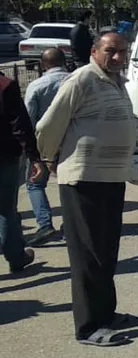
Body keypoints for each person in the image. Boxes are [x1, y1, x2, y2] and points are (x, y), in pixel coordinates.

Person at [37, 33, 138, 346]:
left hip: (110, 178)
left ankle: (106, 314)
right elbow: (48, 125)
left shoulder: (116, 81)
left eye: (123, 51)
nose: (119, 57)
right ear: (95, 51)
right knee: (88, 254)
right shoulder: (80, 80)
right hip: (83, 178)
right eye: (111, 51)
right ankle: (88, 326)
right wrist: (48, 158)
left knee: (106, 250)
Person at [23, 47, 72, 246]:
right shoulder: (77, 81)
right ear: (64, 61)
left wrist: (30, 150)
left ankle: (45, 225)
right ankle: (70, 225)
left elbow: (28, 118)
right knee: (69, 183)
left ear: (43, 65)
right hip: (73, 140)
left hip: (44, 143)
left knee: (35, 184)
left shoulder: (36, 86)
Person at [0, 72, 46, 275]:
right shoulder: (5, 85)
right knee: (6, 209)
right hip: (4, 157)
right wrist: (34, 157)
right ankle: (16, 257)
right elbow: (19, 124)